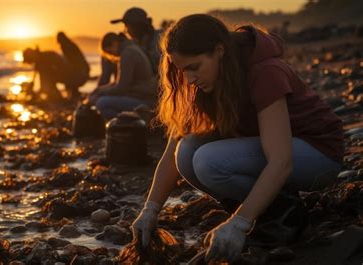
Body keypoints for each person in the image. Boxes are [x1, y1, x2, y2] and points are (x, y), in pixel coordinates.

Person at [131, 14, 343, 263]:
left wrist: (239, 224)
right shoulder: (205, 80)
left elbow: (281, 161)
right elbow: (173, 150)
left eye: (194, 67)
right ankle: (271, 212)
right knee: (186, 153)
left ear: (219, 51)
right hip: (274, 151)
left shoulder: (265, 71)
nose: (188, 79)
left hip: (318, 154)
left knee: (209, 162)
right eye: (182, 70)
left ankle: (284, 215)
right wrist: (150, 210)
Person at [88, 32, 157, 120]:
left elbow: (121, 88)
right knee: (97, 98)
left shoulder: (128, 53)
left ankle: (131, 123)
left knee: (101, 102)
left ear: (115, 43)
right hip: (141, 96)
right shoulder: (131, 48)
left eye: (110, 51)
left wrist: (101, 92)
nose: (112, 55)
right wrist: (100, 89)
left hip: (144, 101)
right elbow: (119, 83)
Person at [22, 32, 89, 102]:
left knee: (48, 78)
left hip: (75, 77)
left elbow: (47, 78)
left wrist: (41, 91)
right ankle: (59, 95)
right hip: (77, 76)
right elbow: (37, 77)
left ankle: (56, 96)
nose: (31, 63)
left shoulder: (46, 58)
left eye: (29, 60)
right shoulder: (42, 59)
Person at [111, 7, 162, 75]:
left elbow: (156, 68)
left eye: (127, 26)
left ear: (138, 26)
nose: (126, 30)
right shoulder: (138, 43)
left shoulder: (160, 39)